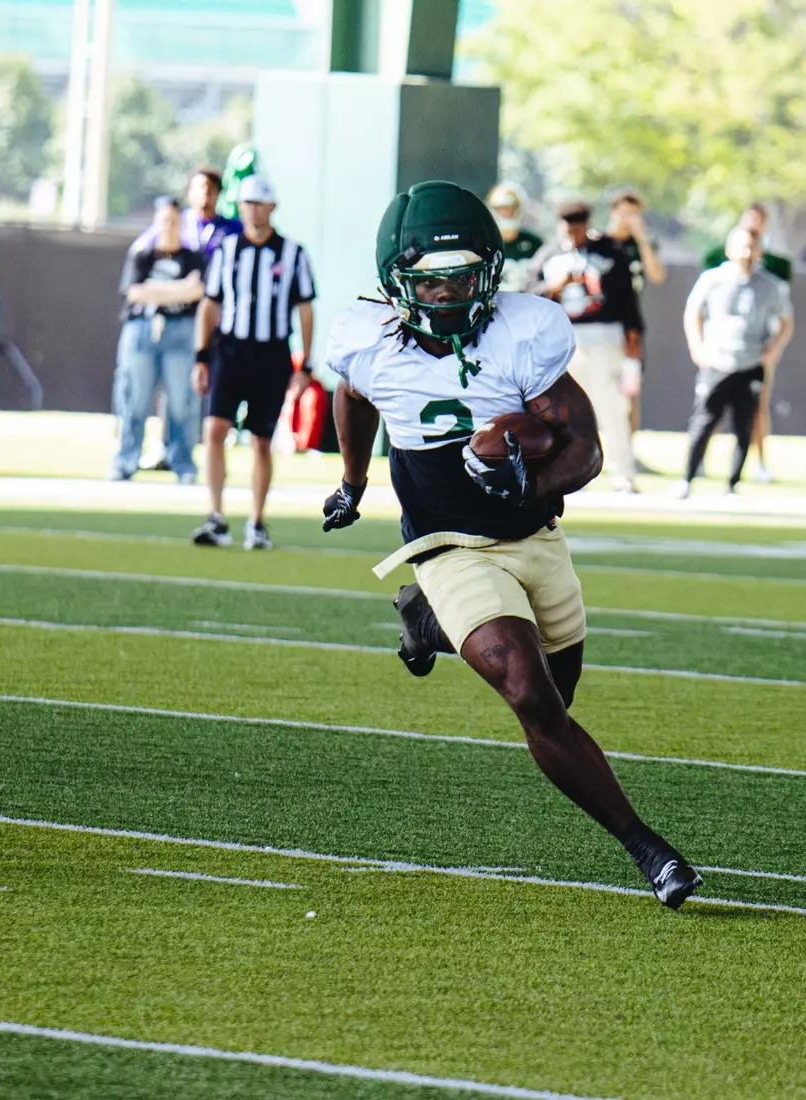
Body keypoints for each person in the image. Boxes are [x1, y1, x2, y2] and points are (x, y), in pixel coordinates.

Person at [320, 179, 702, 910]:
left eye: (463, 276)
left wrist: (525, 480)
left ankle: (428, 621)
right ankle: (648, 849)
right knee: (531, 698)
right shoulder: (368, 343)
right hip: (445, 543)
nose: (448, 294)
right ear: (397, 285)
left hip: (533, 536)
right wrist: (354, 480)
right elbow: (354, 394)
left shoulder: (524, 332)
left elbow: (585, 449)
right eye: (430, 283)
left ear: (492, 272)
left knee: (558, 698)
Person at [192, 175, 315, 549]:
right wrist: (202, 356)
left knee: (262, 439)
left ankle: (257, 521)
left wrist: (304, 365)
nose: (253, 210)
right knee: (215, 429)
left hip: (271, 352)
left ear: (272, 207)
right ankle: (216, 516)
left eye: (260, 203)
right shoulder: (227, 250)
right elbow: (210, 305)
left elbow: (305, 309)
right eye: (247, 203)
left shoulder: (293, 253)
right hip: (230, 350)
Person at [528, 200, 641, 492]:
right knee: (567, 408)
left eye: (579, 227)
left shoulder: (609, 250)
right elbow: (530, 294)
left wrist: (633, 334)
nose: (573, 234)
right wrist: (554, 285)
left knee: (611, 405)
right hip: (565, 336)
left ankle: (623, 472)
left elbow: (627, 296)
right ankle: (572, 470)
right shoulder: (550, 253)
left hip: (604, 334)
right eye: (568, 227)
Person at [135, 167, 240, 472]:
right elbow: (142, 251)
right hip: (178, 315)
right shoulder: (176, 223)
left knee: (204, 384)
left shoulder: (229, 229)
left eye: (211, 188)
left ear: (219, 193)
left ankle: (197, 449)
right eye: (199, 188)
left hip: (218, 317)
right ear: (189, 192)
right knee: (173, 384)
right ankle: (164, 447)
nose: (205, 194)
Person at [677, 227, 794, 497]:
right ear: (729, 249)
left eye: (751, 246)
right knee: (704, 421)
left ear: (760, 250)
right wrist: (698, 346)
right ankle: (687, 480)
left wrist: (772, 349)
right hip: (717, 361)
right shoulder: (713, 279)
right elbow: (693, 312)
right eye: (741, 246)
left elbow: (786, 321)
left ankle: (732, 484)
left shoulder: (772, 285)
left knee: (745, 424)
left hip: (750, 362)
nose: (746, 252)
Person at [111, 197, 205, 483]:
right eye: (164, 220)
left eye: (174, 221)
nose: (169, 226)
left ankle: (183, 463)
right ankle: (126, 460)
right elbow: (135, 292)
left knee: (181, 402)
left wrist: (156, 289)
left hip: (181, 331)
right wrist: (179, 289)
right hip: (142, 330)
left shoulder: (193, 257)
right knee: (134, 399)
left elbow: (198, 291)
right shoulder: (142, 254)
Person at [704, 203, 794, 482]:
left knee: (757, 407)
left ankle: (760, 462)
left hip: (756, 349)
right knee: (710, 407)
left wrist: (774, 348)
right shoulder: (717, 262)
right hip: (720, 350)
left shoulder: (776, 268)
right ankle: (702, 461)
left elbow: (784, 314)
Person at [603, 191, 666, 440]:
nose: (629, 220)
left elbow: (658, 275)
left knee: (630, 388)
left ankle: (628, 446)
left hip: (631, 330)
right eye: (624, 213)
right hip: (603, 323)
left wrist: (641, 239)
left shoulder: (641, 245)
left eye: (634, 215)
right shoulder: (601, 243)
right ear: (613, 212)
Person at [487, 183, 543, 294]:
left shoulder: (534, 242)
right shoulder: (486, 243)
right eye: (502, 210)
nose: (506, 214)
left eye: (511, 209)